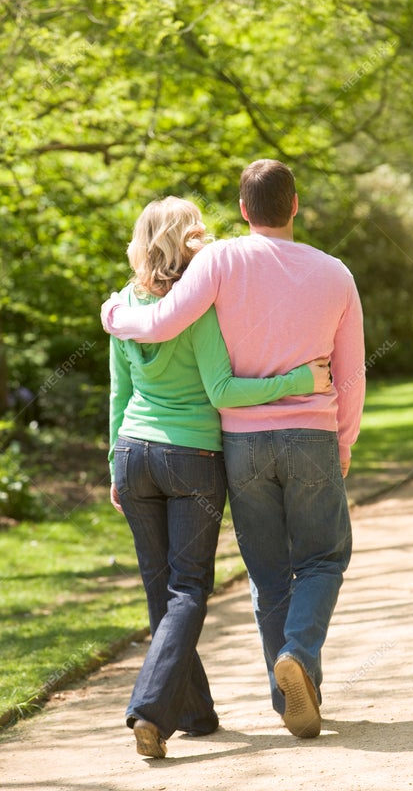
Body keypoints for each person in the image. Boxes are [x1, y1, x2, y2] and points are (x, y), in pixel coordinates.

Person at [102, 160, 366, 739]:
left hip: (241, 442)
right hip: (311, 434)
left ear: (243, 211)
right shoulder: (336, 273)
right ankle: (298, 657)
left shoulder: (219, 261)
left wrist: (113, 313)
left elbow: (164, 320)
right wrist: (342, 441)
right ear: (295, 205)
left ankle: (289, 694)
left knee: (268, 574)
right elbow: (351, 374)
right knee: (323, 559)